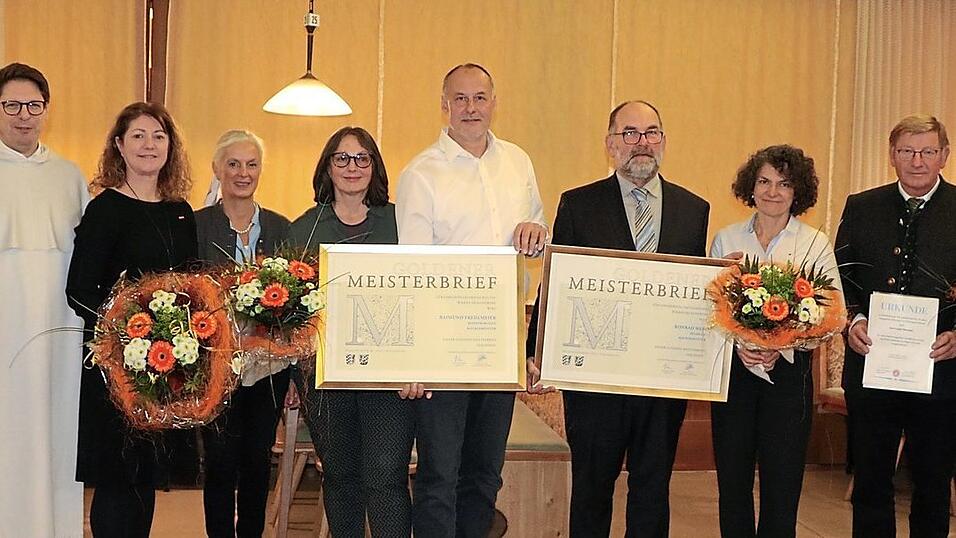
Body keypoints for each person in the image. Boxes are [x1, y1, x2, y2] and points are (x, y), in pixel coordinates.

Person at [527, 100, 709, 537]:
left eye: (650, 132)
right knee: (592, 489)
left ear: (664, 141)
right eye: (629, 133)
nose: (641, 143)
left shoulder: (693, 209)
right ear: (610, 145)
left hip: (662, 379)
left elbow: (697, 293)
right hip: (596, 382)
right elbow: (557, 280)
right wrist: (539, 350)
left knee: (653, 488)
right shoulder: (579, 204)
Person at [396, 63, 548, 537]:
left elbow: (538, 233)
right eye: (459, 99)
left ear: (493, 103)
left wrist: (535, 232)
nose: (470, 108)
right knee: (440, 475)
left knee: (485, 474)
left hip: (500, 344)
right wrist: (415, 362)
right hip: (443, 348)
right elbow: (412, 270)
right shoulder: (421, 173)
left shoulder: (518, 162)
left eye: (479, 98)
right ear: (444, 106)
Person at [66, 101, 197, 537]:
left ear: (170, 147)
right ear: (119, 146)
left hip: (165, 366)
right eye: (138, 135)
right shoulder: (105, 209)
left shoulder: (180, 211)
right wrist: (128, 331)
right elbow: (79, 291)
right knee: (118, 479)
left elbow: (191, 285)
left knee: (146, 477)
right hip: (116, 366)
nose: (149, 144)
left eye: (158, 136)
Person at [709, 145, 842, 537]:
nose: (772, 192)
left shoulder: (814, 243)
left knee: (782, 484)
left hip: (789, 377)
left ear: (797, 191)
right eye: (764, 181)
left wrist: (779, 345)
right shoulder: (725, 239)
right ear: (750, 187)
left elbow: (833, 316)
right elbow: (709, 309)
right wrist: (741, 345)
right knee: (732, 482)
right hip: (733, 377)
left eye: (783, 184)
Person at [289, 126, 415, 537]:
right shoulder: (303, 229)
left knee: (385, 475)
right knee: (340, 477)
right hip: (323, 376)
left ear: (375, 167)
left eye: (363, 158)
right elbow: (288, 314)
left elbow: (424, 293)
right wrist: (292, 374)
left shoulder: (402, 223)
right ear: (327, 166)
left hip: (390, 377)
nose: (352, 167)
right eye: (341, 158)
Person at [836, 115, 955, 538]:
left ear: (944, 155)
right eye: (907, 151)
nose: (917, 161)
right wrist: (854, 321)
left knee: (932, 484)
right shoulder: (862, 206)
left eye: (927, 151)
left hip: (942, 375)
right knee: (870, 482)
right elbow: (842, 277)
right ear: (892, 156)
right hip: (872, 368)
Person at [0, 62, 88, 538]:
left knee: (55, 435)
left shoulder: (68, 176)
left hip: (57, 335)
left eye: (33, 105)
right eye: (11, 105)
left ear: (46, 111)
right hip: (2, 332)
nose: (23, 116)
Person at [195, 129, 291, 537]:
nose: (242, 172)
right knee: (219, 461)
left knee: (256, 460)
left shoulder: (280, 227)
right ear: (217, 168)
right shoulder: (196, 225)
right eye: (233, 164)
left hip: (268, 369)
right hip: (212, 364)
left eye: (251, 164)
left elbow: (296, 306)